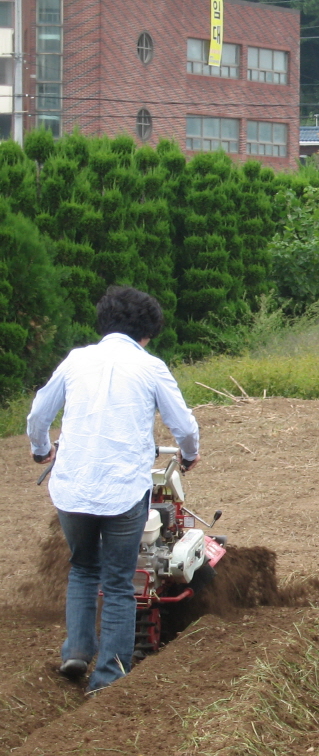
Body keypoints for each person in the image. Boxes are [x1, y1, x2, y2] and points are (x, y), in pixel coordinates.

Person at [27, 286, 200, 694]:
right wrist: (190, 455)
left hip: (71, 489)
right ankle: (108, 676)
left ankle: (76, 651)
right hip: (123, 490)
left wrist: (42, 450)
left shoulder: (76, 360)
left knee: (84, 569)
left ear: (103, 323)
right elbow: (184, 425)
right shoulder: (150, 366)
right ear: (148, 332)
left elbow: (39, 413)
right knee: (120, 582)